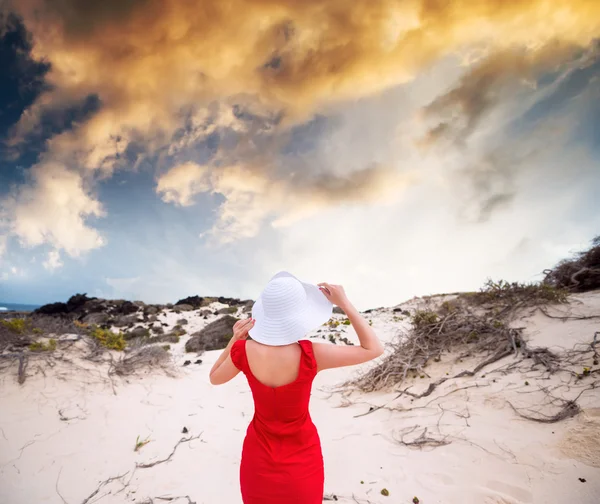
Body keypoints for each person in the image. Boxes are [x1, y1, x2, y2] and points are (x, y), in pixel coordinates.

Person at [209, 271, 384, 504]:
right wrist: (344, 303)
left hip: (257, 457)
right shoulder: (312, 354)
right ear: (301, 316)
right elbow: (372, 349)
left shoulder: (243, 351)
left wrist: (235, 339)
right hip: (302, 456)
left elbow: (214, 377)